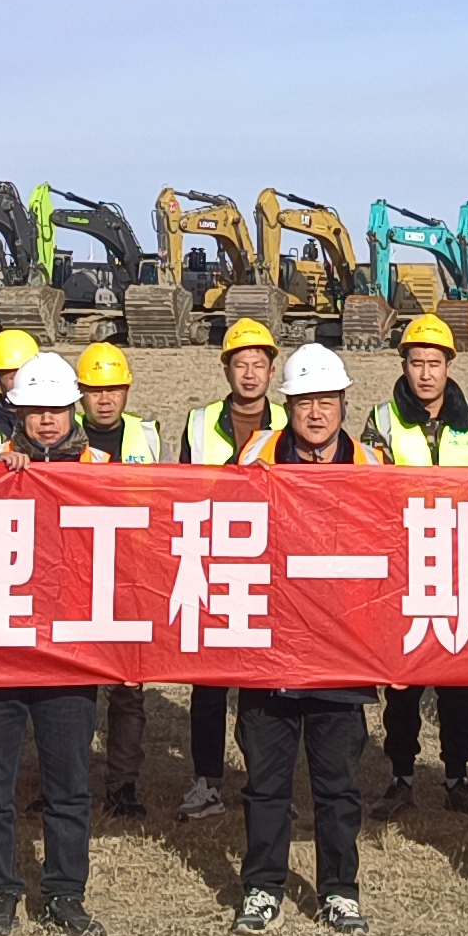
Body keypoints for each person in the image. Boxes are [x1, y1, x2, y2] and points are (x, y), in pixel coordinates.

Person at [232, 347, 376, 936]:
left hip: (342, 652)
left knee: (338, 786)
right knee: (265, 784)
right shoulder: (256, 455)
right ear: (286, 405)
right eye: (305, 402)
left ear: (343, 404)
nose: (316, 414)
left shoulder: (370, 463)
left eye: (327, 402)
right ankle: (262, 886)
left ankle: (339, 891)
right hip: (270, 649)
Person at [0, 357, 107, 936]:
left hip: (70, 653)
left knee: (69, 785)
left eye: (56, 410)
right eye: (34, 411)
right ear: (16, 413)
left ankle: (65, 894)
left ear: (73, 409)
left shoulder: (102, 470)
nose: (46, 421)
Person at [367, 315, 468, 819]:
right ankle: (400, 776)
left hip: (461, 569)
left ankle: (458, 776)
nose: (425, 373)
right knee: (402, 685)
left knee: (459, 685)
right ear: (404, 366)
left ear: (449, 367)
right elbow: (369, 492)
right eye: (416, 363)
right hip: (404, 572)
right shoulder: (381, 421)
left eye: (434, 363)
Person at [178, 317, 283, 819]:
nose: (250, 374)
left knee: (264, 684)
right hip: (214, 558)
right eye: (241, 364)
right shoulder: (199, 422)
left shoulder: (288, 420)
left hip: (269, 565)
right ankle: (207, 781)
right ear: (226, 370)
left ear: (271, 371)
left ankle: (265, 781)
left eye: (258, 365)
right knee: (209, 681)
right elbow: (181, 489)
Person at [71, 341, 160, 814]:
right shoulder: (62, 435)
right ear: (80, 394)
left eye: (113, 390)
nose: (104, 399)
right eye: (94, 390)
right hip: (76, 577)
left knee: (128, 691)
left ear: (127, 390)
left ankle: (123, 786)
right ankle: (65, 781)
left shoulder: (148, 435)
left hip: (131, 577)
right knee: (71, 690)